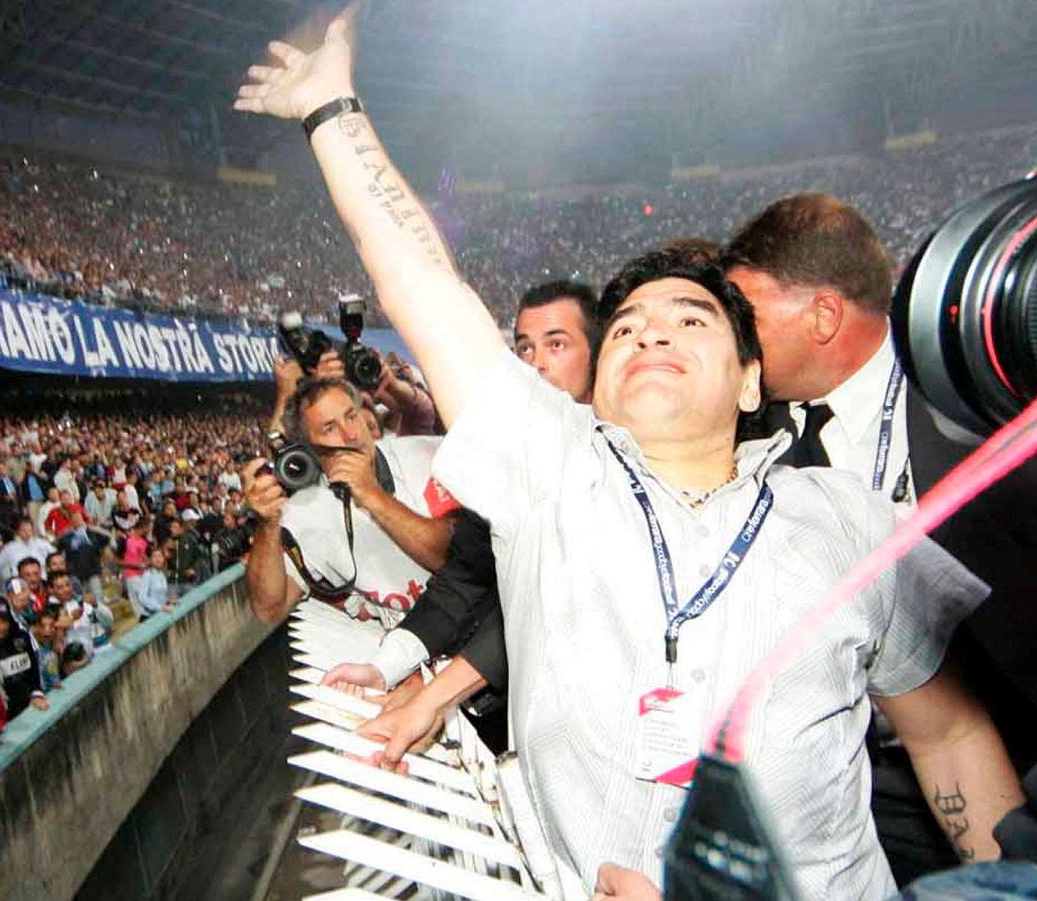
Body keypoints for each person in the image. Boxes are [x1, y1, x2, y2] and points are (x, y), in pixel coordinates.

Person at [234, 17, 1020, 898]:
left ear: (752, 380)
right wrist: (332, 110)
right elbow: (424, 285)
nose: (654, 331)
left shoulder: (850, 520)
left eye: (693, 320)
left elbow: (947, 733)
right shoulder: (554, 478)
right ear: (599, 389)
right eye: (631, 329)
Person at [724, 193, 1037, 884]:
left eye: (746, 316)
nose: (733, 341)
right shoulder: (747, 427)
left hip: (1006, 755)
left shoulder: (981, 393)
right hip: (855, 785)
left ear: (824, 316)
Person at [322, 280, 598, 735]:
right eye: (525, 349)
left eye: (557, 344)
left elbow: (538, 602)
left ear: (596, 354)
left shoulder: (625, 460)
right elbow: (462, 581)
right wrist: (383, 668)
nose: (537, 364)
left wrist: (433, 696)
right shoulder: (504, 459)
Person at [240, 371, 452, 629]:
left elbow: (456, 559)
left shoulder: (427, 456)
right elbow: (267, 610)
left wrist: (372, 495)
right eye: (330, 428)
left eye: (351, 416)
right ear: (308, 449)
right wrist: (268, 525)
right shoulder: (305, 511)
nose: (350, 434)